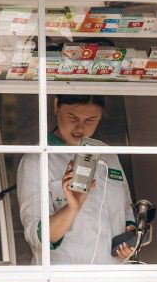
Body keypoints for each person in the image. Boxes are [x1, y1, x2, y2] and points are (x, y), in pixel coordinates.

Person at [17, 95, 137, 265]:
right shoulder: (37, 160)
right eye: (72, 117)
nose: (80, 127)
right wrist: (73, 207)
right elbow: (36, 236)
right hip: (65, 274)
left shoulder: (107, 154)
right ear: (56, 106)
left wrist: (130, 237)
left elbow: (126, 210)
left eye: (90, 120)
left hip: (113, 272)